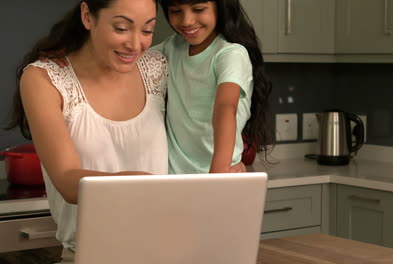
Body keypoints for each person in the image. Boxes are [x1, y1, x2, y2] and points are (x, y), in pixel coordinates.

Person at [7, 0, 167, 261]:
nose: (136, 44)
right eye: (122, 28)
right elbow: (68, 181)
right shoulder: (44, 79)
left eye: (147, 31)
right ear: (87, 16)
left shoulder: (157, 68)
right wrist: (145, 183)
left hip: (164, 251)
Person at [153, 0, 274, 174]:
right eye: (176, 11)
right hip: (174, 178)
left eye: (199, 9)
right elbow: (134, 59)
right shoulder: (171, 47)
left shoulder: (230, 54)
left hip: (218, 175)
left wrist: (219, 173)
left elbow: (226, 108)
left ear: (222, 7)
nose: (186, 20)